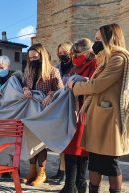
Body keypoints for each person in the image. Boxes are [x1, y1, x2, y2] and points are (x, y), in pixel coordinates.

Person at [67, 23, 129, 193]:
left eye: (98, 39)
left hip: (111, 120)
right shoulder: (106, 59)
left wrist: (75, 86)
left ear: (110, 38)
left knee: (110, 162)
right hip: (99, 118)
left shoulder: (119, 59)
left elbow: (97, 86)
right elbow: (95, 85)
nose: (95, 42)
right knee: (95, 162)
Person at [53, 38, 97, 193]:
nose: (73, 57)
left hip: (84, 110)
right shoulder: (78, 66)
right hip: (74, 110)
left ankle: (71, 187)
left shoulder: (94, 65)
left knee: (75, 149)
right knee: (76, 149)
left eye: (75, 53)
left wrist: (76, 83)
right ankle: (79, 183)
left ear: (87, 52)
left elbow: (93, 85)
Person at [22, 43, 64, 186]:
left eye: (35, 57)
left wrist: (51, 94)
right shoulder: (29, 71)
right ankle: (32, 170)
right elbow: (24, 84)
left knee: (41, 143)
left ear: (42, 56)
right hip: (30, 113)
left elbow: (61, 91)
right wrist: (25, 89)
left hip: (45, 113)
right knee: (31, 143)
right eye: (30, 58)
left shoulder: (53, 71)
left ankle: (42, 173)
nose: (32, 60)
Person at [51, 41, 74, 183]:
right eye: (60, 53)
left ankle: (65, 173)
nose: (62, 55)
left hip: (71, 107)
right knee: (60, 143)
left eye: (65, 52)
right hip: (60, 108)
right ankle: (60, 171)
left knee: (68, 143)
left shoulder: (76, 68)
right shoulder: (57, 68)